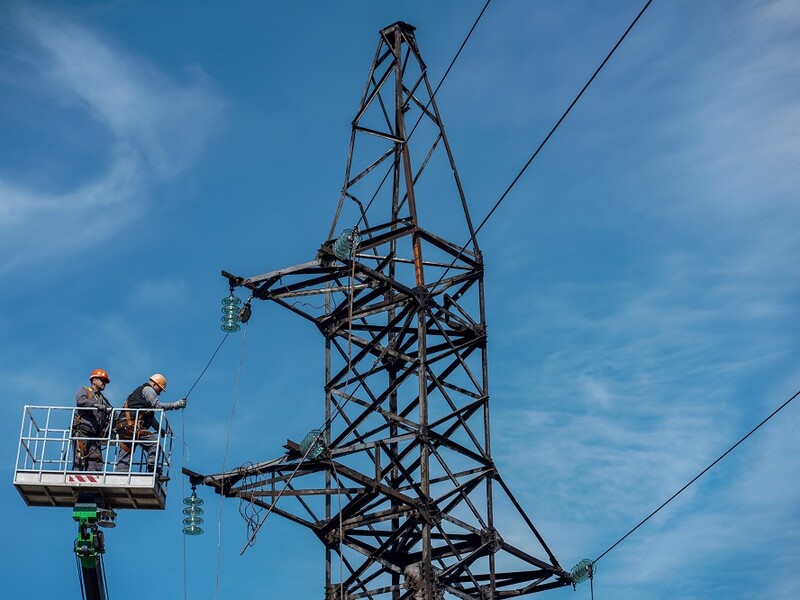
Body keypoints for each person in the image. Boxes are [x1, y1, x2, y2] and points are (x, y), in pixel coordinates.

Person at [115, 373, 186, 475]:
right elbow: (157, 405)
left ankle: (120, 475)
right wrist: (175, 405)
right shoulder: (149, 390)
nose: (159, 393)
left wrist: (160, 430)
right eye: (160, 389)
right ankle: (152, 470)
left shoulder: (140, 395)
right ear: (155, 384)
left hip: (123, 426)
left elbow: (150, 419)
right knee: (154, 444)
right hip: (132, 426)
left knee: (126, 451)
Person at [72, 369, 114, 471]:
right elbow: (80, 401)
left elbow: (112, 412)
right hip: (82, 431)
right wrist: (95, 405)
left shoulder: (103, 399)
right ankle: (77, 484)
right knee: (80, 460)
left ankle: (92, 484)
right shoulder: (85, 390)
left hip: (95, 435)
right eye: (102, 380)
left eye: (105, 381)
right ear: (94, 380)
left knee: (96, 462)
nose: (104, 383)